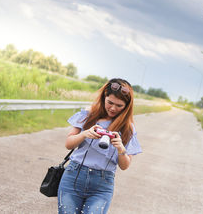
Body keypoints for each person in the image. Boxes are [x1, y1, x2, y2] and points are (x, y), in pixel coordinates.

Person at [58, 78, 142, 214]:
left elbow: (125, 166)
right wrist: (85, 134)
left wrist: (121, 148)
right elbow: (68, 144)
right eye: (110, 103)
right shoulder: (88, 115)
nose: (113, 108)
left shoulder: (128, 129)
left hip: (102, 185)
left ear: (127, 107)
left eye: (119, 105)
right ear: (104, 97)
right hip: (73, 176)